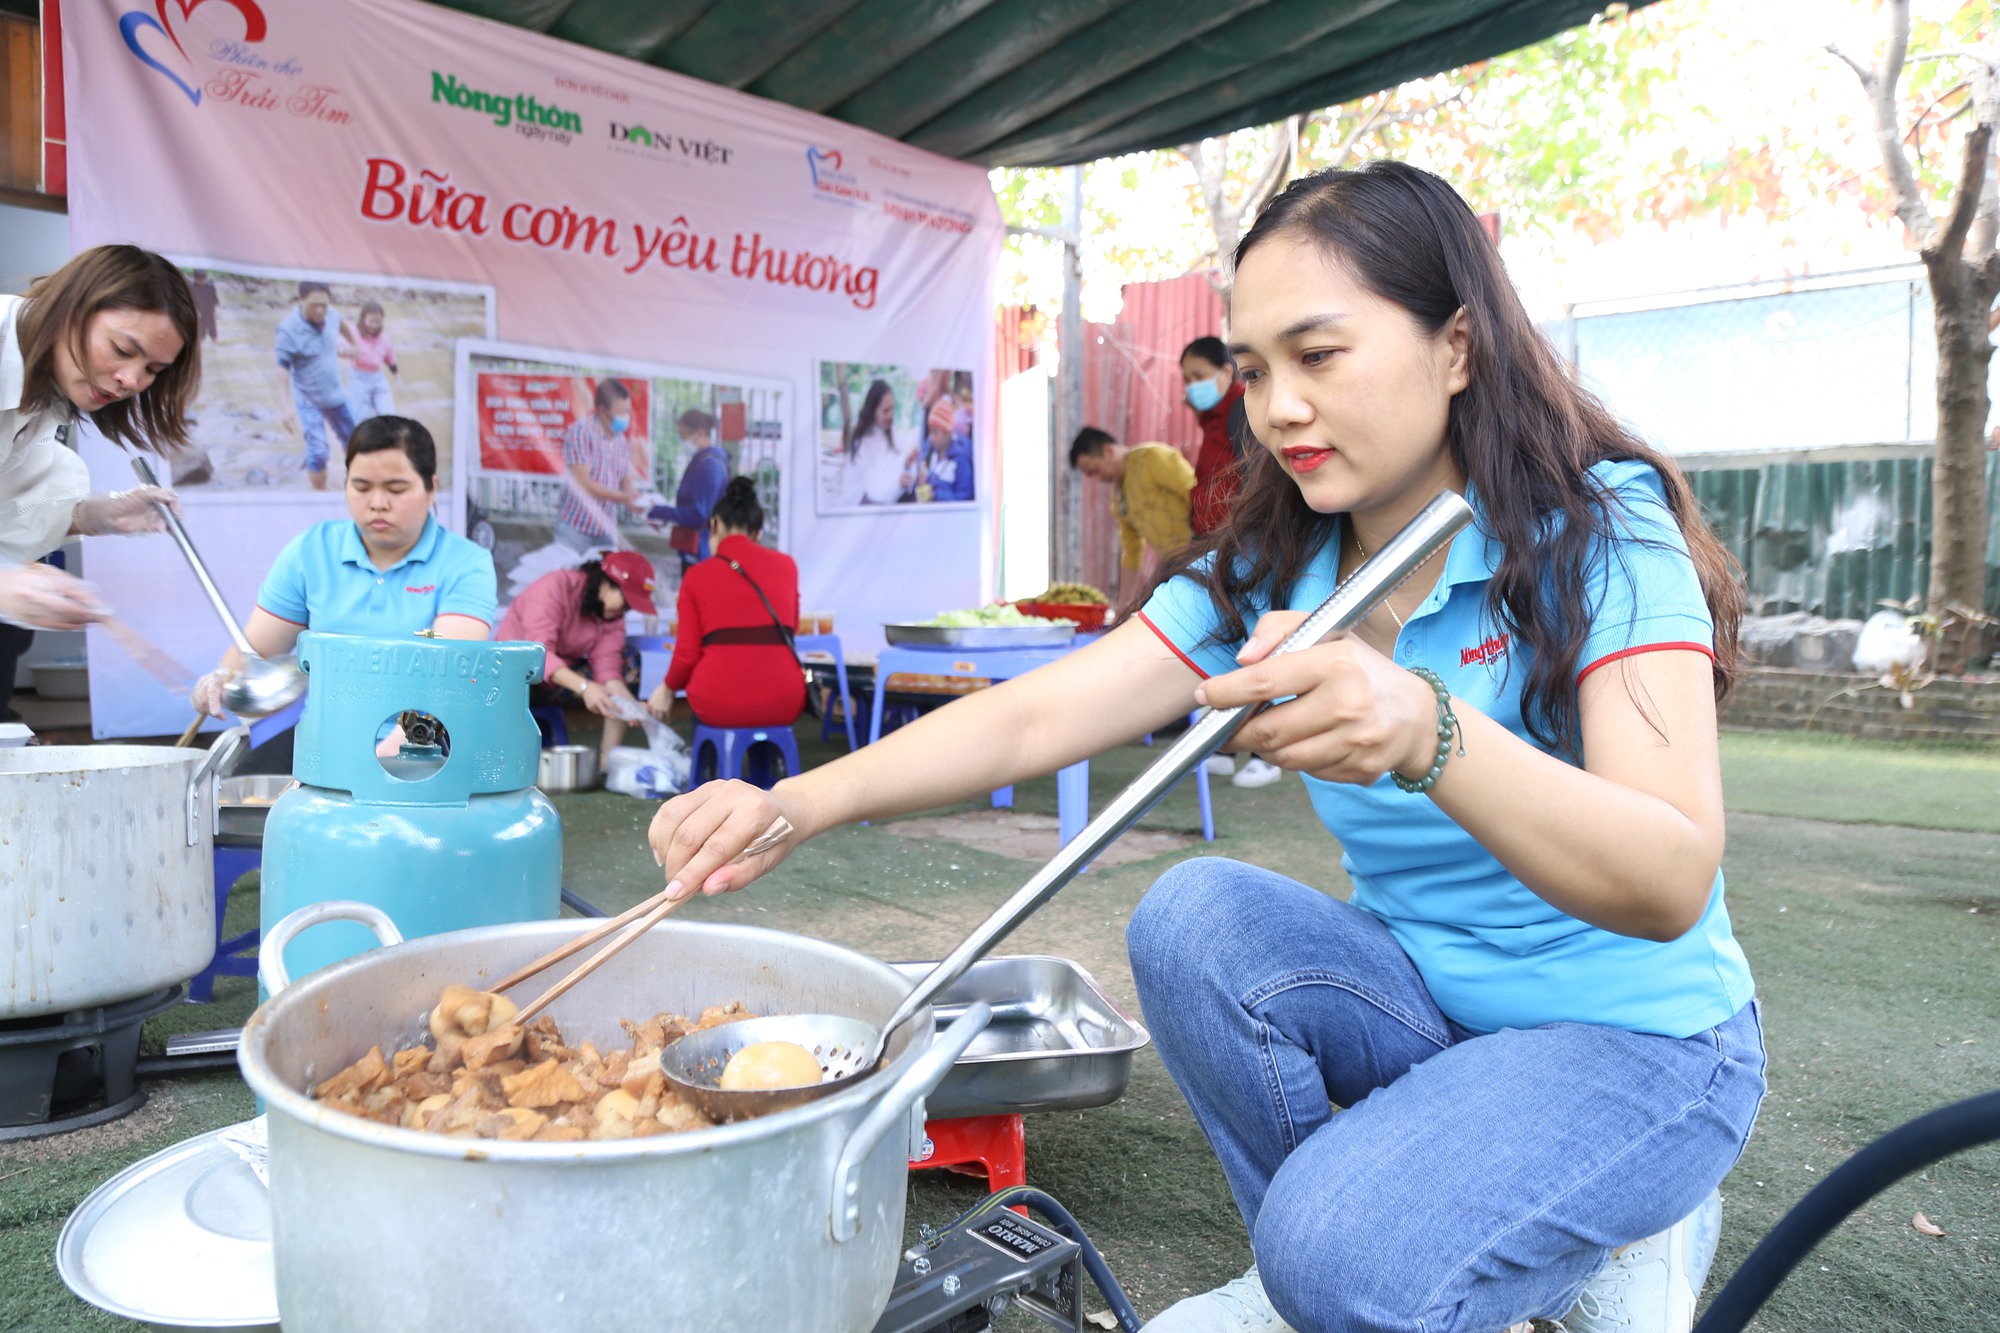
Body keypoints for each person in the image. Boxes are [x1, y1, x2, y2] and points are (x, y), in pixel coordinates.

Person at [646, 161, 1762, 1333]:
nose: (1275, 408)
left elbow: (1668, 875)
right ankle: (1359, 1266)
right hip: (1432, 1010)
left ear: (1458, 347)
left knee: (1338, 1256)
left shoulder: (1598, 526)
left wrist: (1426, 732)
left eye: (1318, 355)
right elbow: (1038, 712)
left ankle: (1579, 1232)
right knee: (1192, 918)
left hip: (1642, 1043)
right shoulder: (1284, 563)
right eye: (1255, 370)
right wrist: (798, 803)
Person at [192, 415, 496, 722]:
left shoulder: (467, 564)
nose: (377, 503)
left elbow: (447, 683)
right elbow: (255, 653)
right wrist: (220, 680)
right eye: (361, 487)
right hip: (322, 738)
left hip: (420, 745)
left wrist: (376, 760)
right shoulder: (312, 551)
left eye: (396, 489)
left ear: (431, 488)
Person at [0, 244, 194, 715]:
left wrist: (91, 515)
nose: (131, 380)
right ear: (73, 307)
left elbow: (10, 510)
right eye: (123, 350)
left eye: (153, 369)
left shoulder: (43, 392)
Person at [646, 477, 803, 746]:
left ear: (714, 524)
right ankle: (766, 777)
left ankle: (708, 775)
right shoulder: (787, 566)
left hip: (718, 698)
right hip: (785, 697)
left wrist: (667, 688)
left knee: (708, 697)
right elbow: (792, 628)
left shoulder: (696, 576)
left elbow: (687, 654)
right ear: (757, 533)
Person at [499, 550, 656, 767]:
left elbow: (609, 668)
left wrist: (628, 704)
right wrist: (585, 688)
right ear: (604, 585)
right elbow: (538, 655)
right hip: (516, 679)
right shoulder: (554, 588)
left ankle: (604, 764)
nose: (625, 611)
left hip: (558, 681)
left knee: (630, 660)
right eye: (627, 602)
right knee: (526, 668)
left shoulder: (611, 616)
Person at [1067, 427, 1198, 610]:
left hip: (1203, 551)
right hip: (1177, 565)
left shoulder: (1152, 457)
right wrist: (1124, 603)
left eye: (1095, 470)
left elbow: (1196, 492)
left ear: (1108, 450)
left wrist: (1205, 544)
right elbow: (1132, 550)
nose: (1098, 479)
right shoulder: (1119, 496)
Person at [273, 281, 356, 491]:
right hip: (308, 398)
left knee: (356, 443)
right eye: (314, 305)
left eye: (324, 305)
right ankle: (320, 496)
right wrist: (284, 407)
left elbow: (341, 322)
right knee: (319, 451)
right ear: (301, 300)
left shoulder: (331, 314)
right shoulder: (288, 330)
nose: (320, 310)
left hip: (335, 393)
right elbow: (282, 368)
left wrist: (354, 344)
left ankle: (355, 488)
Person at [556, 378, 643, 553]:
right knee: (571, 578)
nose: (626, 417)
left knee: (607, 577)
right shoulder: (580, 432)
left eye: (628, 411)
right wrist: (624, 498)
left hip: (605, 527)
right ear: (602, 410)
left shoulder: (621, 442)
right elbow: (584, 484)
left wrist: (635, 497)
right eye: (620, 412)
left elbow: (625, 479)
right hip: (575, 527)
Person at [647, 408, 729, 567]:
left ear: (699, 434)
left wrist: (660, 511)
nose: (683, 443)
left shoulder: (709, 465)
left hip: (702, 549)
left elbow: (698, 514)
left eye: (684, 437)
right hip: (698, 546)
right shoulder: (704, 460)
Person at [1182, 335, 1246, 536]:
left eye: (1199, 376)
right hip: (1209, 535)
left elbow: (1254, 480)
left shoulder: (1242, 409)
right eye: (1187, 380)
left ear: (1226, 372)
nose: (1192, 386)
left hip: (1232, 537)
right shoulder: (1212, 416)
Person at [840, 378, 916, 506]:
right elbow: (873, 487)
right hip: (862, 501)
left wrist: (907, 463)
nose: (890, 415)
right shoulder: (862, 441)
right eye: (885, 411)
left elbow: (893, 467)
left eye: (892, 409)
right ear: (872, 411)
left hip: (887, 495)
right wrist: (898, 482)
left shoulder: (891, 429)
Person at [345, 301, 397, 421]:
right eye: (371, 321)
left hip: (378, 379)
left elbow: (390, 359)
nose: (375, 325)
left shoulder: (384, 337)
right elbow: (336, 349)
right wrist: (345, 351)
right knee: (362, 421)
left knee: (390, 419)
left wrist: (398, 380)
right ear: (363, 319)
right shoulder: (353, 333)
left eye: (378, 322)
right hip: (358, 379)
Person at [188, 270, 219, 343]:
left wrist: (215, 311)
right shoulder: (193, 287)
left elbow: (214, 299)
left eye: (203, 280)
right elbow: (191, 301)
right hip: (199, 311)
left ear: (206, 278)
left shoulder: (211, 286)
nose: (202, 282)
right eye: (199, 280)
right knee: (201, 330)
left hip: (210, 310)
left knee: (212, 328)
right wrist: (195, 311)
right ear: (195, 279)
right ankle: (201, 344)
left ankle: (214, 343)